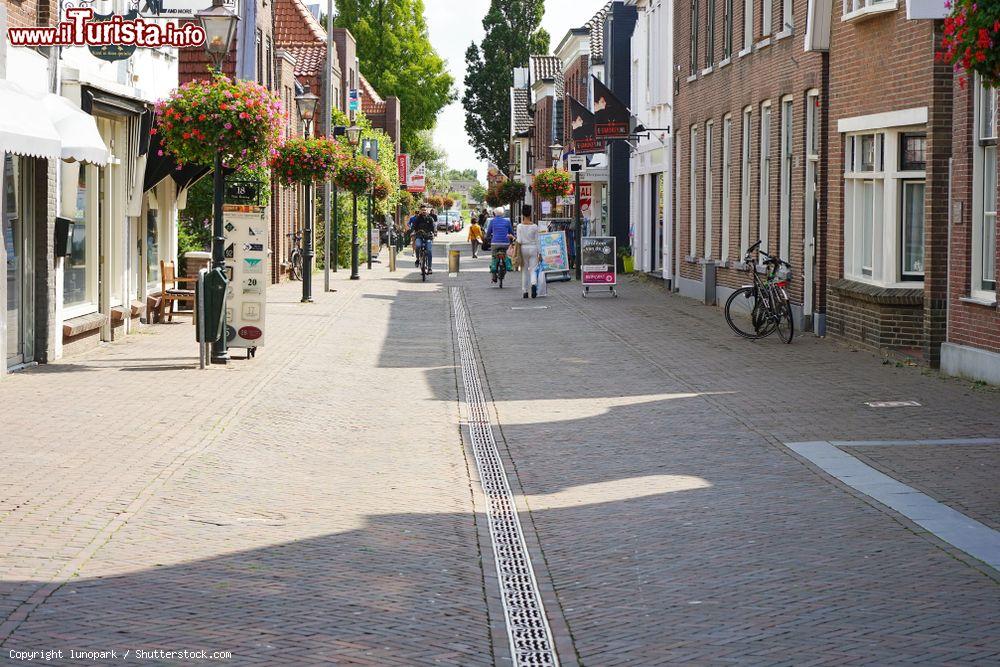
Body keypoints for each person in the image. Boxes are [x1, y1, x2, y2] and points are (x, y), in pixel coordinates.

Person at [514, 205, 541, 298]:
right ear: (530, 214)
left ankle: (525, 291)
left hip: (523, 249)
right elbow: (538, 241)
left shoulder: (519, 226)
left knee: (524, 270)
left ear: (522, 214)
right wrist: (540, 253)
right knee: (533, 269)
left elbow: (519, 240)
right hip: (533, 248)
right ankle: (533, 284)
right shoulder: (535, 226)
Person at [485, 206, 514, 283]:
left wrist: (487, 238)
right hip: (505, 243)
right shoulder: (507, 221)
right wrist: (512, 238)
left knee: (494, 257)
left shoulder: (492, 221)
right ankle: (507, 264)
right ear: (503, 214)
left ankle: (494, 275)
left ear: (494, 213)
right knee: (506, 255)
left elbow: (488, 233)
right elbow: (511, 232)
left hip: (495, 243)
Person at [411, 204, 436, 273]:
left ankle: (429, 268)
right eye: (422, 210)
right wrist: (413, 232)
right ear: (420, 211)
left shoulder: (430, 218)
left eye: (425, 210)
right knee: (418, 246)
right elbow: (414, 227)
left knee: (429, 250)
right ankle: (418, 259)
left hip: (428, 237)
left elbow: (433, 228)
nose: (424, 211)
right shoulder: (417, 219)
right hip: (419, 236)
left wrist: (433, 233)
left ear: (426, 210)